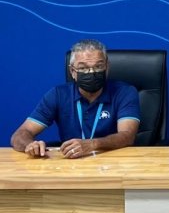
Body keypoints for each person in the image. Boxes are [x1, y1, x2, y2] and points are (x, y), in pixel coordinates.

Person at [10, 39, 140, 158]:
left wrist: (92, 144)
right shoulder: (58, 94)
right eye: (83, 68)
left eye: (98, 66)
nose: (91, 72)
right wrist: (30, 145)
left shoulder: (125, 92)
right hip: (72, 163)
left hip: (113, 162)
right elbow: (21, 134)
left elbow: (127, 136)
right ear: (73, 71)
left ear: (107, 67)